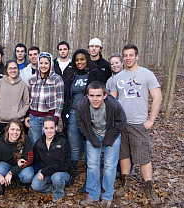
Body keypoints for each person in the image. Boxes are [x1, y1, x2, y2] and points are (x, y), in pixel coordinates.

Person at [109, 44, 162, 206]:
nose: (128, 58)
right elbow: (111, 101)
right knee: (123, 155)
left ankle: (149, 187)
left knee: (143, 157)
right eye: (125, 55)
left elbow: (157, 97)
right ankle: (125, 184)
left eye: (131, 55)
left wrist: (151, 120)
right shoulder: (117, 78)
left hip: (139, 123)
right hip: (121, 124)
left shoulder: (146, 74)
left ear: (137, 56)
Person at [77, 81, 127, 207]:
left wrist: (109, 138)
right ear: (87, 95)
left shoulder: (113, 105)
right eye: (92, 95)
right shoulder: (82, 105)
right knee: (92, 165)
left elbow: (122, 122)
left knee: (110, 166)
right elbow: (80, 123)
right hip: (93, 133)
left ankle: (107, 196)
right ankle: (93, 194)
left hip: (111, 134)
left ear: (104, 95)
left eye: (98, 96)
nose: (95, 99)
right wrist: (90, 137)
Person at [61, 49, 97, 185]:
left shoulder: (94, 74)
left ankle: (91, 178)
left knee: (90, 147)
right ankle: (72, 175)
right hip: (73, 114)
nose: (79, 62)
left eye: (82, 59)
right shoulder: (72, 75)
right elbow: (67, 97)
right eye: (77, 60)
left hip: (90, 115)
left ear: (87, 59)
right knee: (74, 146)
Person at [0, 119, 34, 195]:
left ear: (21, 131)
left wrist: (11, 172)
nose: (15, 132)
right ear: (8, 130)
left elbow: (30, 159)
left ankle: (24, 184)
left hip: (20, 167)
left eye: (18, 130)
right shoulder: (0, 142)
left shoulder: (26, 139)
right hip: (6, 165)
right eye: (12, 129)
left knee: (28, 175)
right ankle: (1, 184)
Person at [25, 52, 64, 145]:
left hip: (49, 117)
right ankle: (37, 160)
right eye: (41, 63)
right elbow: (27, 98)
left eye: (46, 63)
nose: (43, 66)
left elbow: (60, 100)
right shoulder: (32, 79)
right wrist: (27, 115)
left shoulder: (57, 79)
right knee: (36, 143)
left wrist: (56, 117)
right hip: (33, 117)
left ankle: (49, 160)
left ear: (50, 64)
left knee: (49, 143)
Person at [31, 116, 72, 203]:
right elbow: (34, 159)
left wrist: (45, 171)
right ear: (43, 128)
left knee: (56, 177)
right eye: (46, 128)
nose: (49, 131)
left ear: (56, 128)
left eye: (51, 128)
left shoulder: (63, 142)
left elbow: (64, 165)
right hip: (46, 171)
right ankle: (52, 187)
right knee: (35, 186)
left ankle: (58, 194)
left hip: (61, 173)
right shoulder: (39, 143)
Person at [0, 60, 29, 133]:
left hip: (17, 121)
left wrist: (19, 114)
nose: (13, 70)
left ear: (18, 69)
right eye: (10, 68)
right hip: (0, 121)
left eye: (15, 68)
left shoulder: (23, 84)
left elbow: (27, 103)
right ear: (6, 70)